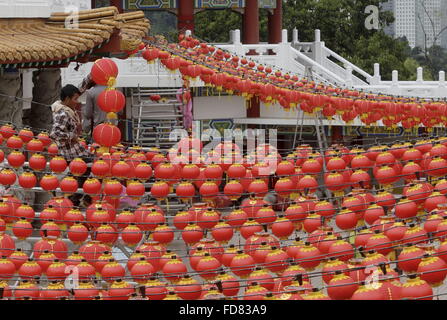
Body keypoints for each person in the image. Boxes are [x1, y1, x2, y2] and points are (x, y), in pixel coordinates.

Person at [50, 84, 91, 162]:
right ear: (67, 99)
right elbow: (55, 134)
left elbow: (81, 88)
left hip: (76, 151)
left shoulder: (67, 110)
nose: (77, 102)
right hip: (71, 155)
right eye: (75, 99)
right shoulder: (63, 114)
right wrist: (71, 136)